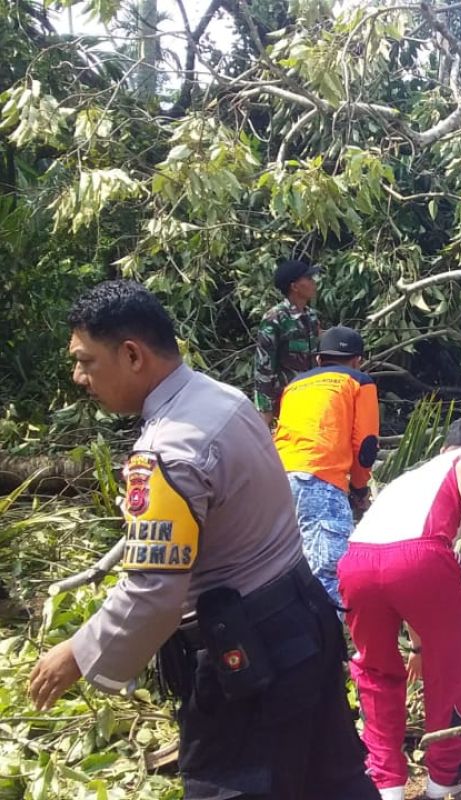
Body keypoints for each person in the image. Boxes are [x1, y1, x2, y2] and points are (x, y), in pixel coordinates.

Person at [29, 280, 379, 800]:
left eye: (86, 361)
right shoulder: (224, 399)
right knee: (333, 782)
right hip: (303, 618)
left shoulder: (168, 451)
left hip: (252, 658)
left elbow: (153, 592)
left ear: (131, 355)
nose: (80, 377)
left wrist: (78, 652)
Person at [338, 417, 461, 800]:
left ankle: (386, 782)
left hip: (356, 561)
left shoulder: (410, 478)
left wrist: (419, 647)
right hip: (422, 559)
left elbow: (395, 570)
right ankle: (448, 774)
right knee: (454, 665)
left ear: (441, 448)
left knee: (375, 670)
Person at [274, 325, 380, 605]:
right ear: (358, 360)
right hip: (319, 481)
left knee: (289, 573)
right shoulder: (359, 381)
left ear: (319, 360)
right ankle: (328, 646)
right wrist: (359, 489)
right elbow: (366, 446)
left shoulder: (293, 386)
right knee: (330, 575)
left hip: (276, 481)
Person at [254, 258, 321, 428]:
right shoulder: (274, 318)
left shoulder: (311, 316)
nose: (314, 283)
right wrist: (265, 409)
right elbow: (263, 366)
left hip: (310, 396)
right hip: (284, 400)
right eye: (309, 279)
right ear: (295, 287)